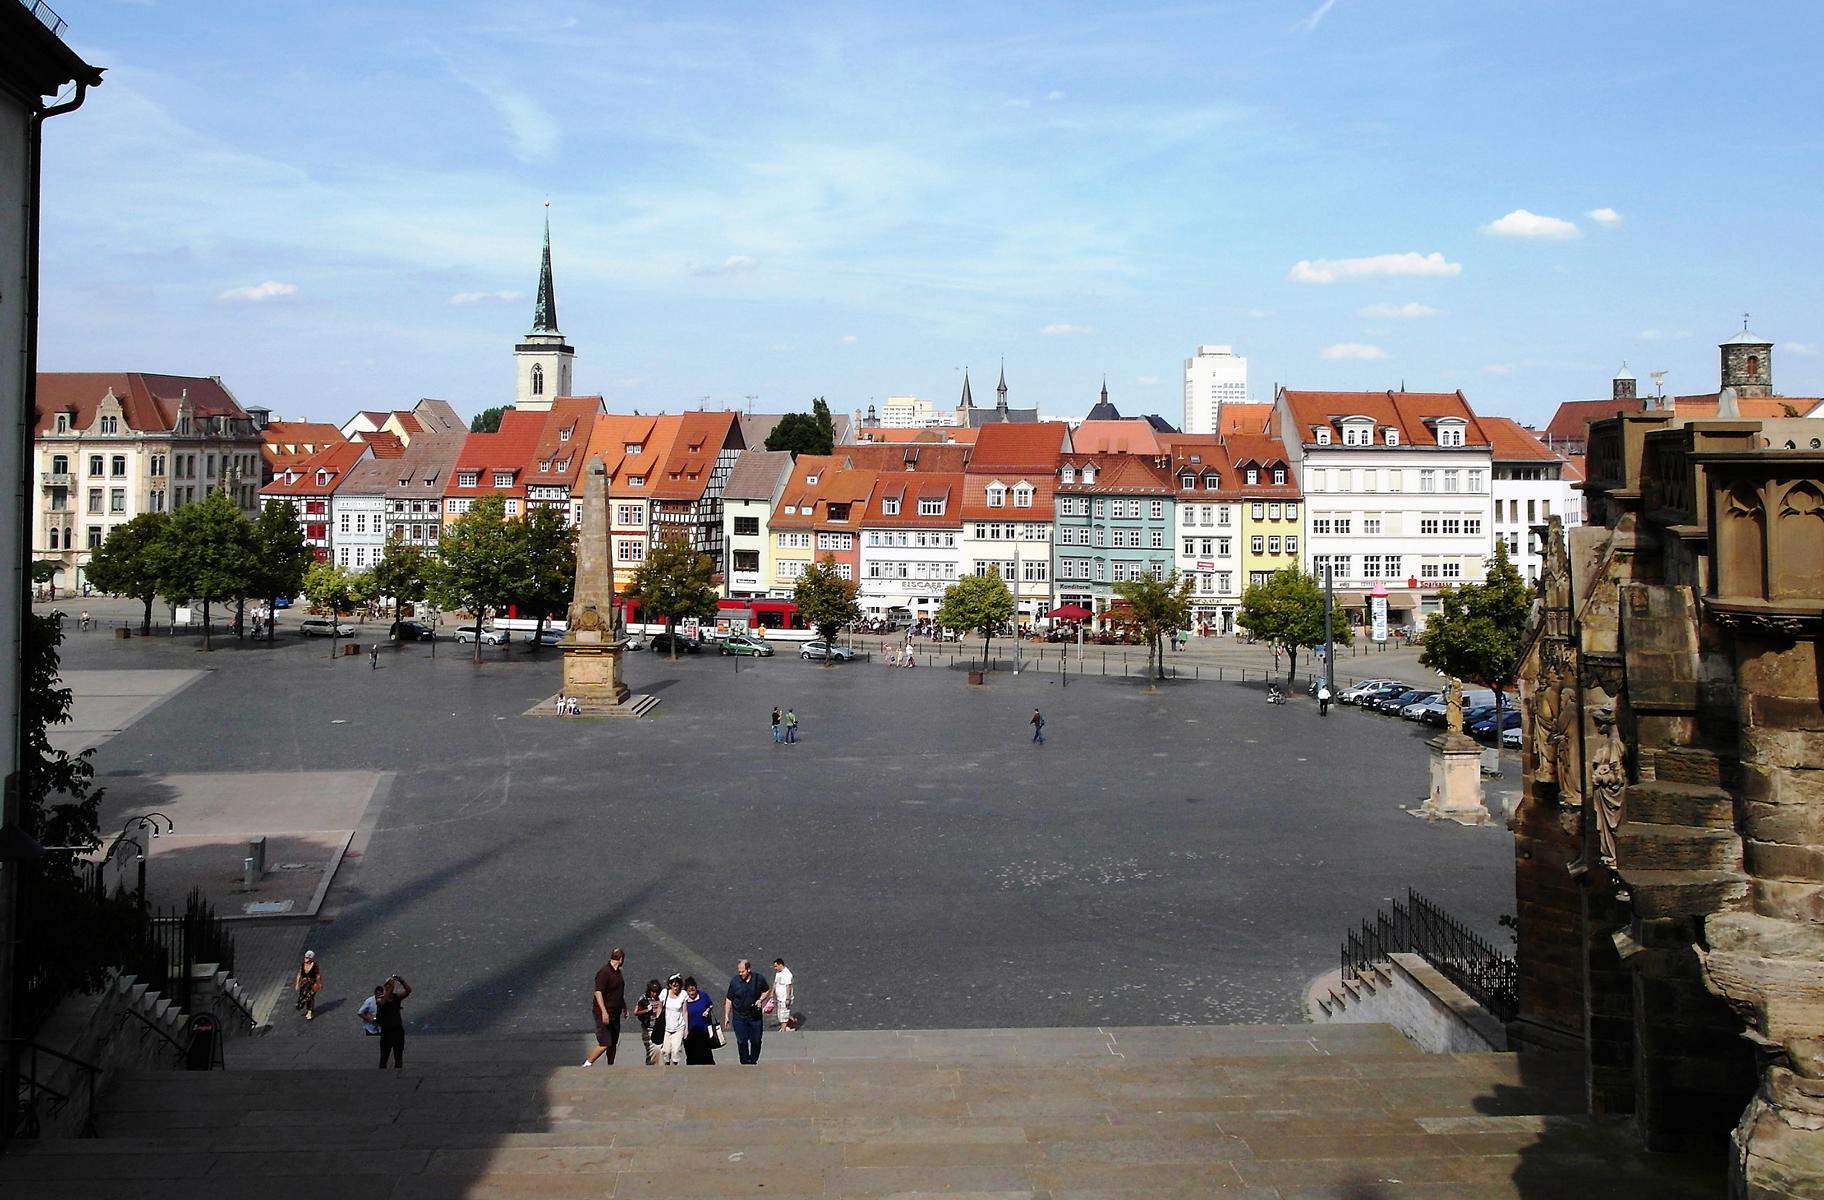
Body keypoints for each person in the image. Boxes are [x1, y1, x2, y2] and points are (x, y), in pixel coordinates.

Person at [584, 948, 627, 1066]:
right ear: (621, 959)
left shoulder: (617, 972)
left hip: (615, 1013)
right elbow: (598, 993)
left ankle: (610, 1066)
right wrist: (604, 1012)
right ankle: (587, 1064)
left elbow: (618, 992)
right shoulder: (604, 972)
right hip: (604, 1014)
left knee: (613, 1043)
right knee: (605, 1043)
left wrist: (623, 1006)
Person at [723, 959, 772, 1065]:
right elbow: (729, 999)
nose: (740, 974)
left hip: (755, 1017)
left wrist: (760, 1000)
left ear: (748, 969)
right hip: (739, 1018)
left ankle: (753, 1060)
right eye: (739, 971)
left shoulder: (758, 979)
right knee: (742, 1041)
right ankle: (745, 1062)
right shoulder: (735, 981)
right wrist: (726, 1015)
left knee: (756, 1041)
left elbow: (766, 990)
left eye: (742, 971)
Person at [376, 973, 412, 1068]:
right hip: (386, 1031)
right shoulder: (380, 998)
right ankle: (382, 1072)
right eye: (388, 985)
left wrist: (401, 981)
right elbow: (383, 1003)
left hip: (397, 1030)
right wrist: (389, 989)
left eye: (391, 984)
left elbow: (408, 991)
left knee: (398, 1055)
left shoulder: (396, 997)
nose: (391, 986)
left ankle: (398, 1070)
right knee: (384, 1056)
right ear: (385, 986)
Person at [682, 977, 716, 1065]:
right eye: (689, 991)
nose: (692, 993)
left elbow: (710, 1005)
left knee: (706, 1056)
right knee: (692, 1057)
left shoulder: (703, 995)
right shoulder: (684, 1000)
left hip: (704, 1032)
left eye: (693, 990)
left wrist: (707, 1010)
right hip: (690, 1033)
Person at [633, 978, 664, 1065]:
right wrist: (647, 1010)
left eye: (656, 991)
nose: (655, 994)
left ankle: (657, 1067)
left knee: (660, 1051)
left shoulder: (662, 997)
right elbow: (636, 1012)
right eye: (653, 991)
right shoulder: (644, 998)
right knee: (652, 1051)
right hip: (648, 1029)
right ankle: (650, 1067)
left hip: (659, 1028)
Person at [660, 974, 688, 1065]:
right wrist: (657, 1022)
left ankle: (674, 1068)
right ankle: (667, 1067)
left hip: (679, 1027)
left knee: (676, 1050)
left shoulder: (683, 994)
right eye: (673, 985)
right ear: (670, 985)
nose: (675, 987)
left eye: (677, 985)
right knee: (666, 1051)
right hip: (666, 1027)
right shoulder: (665, 993)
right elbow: (660, 1008)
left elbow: (685, 1012)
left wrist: (686, 1028)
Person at [294, 950, 322, 1021]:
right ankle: (303, 1005)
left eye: (307, 958)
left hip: (312, 984)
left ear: (311, 958)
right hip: (304, 984)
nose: (305, 959)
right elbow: (299, 973)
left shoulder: (314, 966)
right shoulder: (303, 964)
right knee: (302, 996)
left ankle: (310, 1012)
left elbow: (318, 975)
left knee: (310, 997)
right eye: (305, 957)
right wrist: (297, 983)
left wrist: (319, 984)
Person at [771, 957, 795, 1031]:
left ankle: (783, 1030)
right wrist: (772, 993)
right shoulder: (778, 973)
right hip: (779, 998)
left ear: (780, 965)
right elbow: (775, 983)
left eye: (776, 966)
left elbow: (788, 986)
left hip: (785, 998)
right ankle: (791, 1024)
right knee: (781, 1014)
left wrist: (788, 998)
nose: (775, 968)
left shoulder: (787, 974)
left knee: (783, 1015)